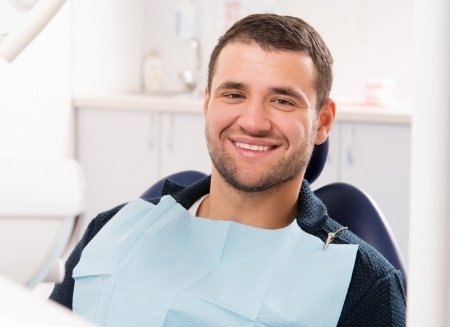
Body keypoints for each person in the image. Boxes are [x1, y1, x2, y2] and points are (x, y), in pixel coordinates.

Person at [50, 13, 406, 327]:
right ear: (206, 103)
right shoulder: (111, 230)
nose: (252, 122)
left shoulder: (364, 285)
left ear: (322, 121)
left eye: (282, 100)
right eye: (234, 94)